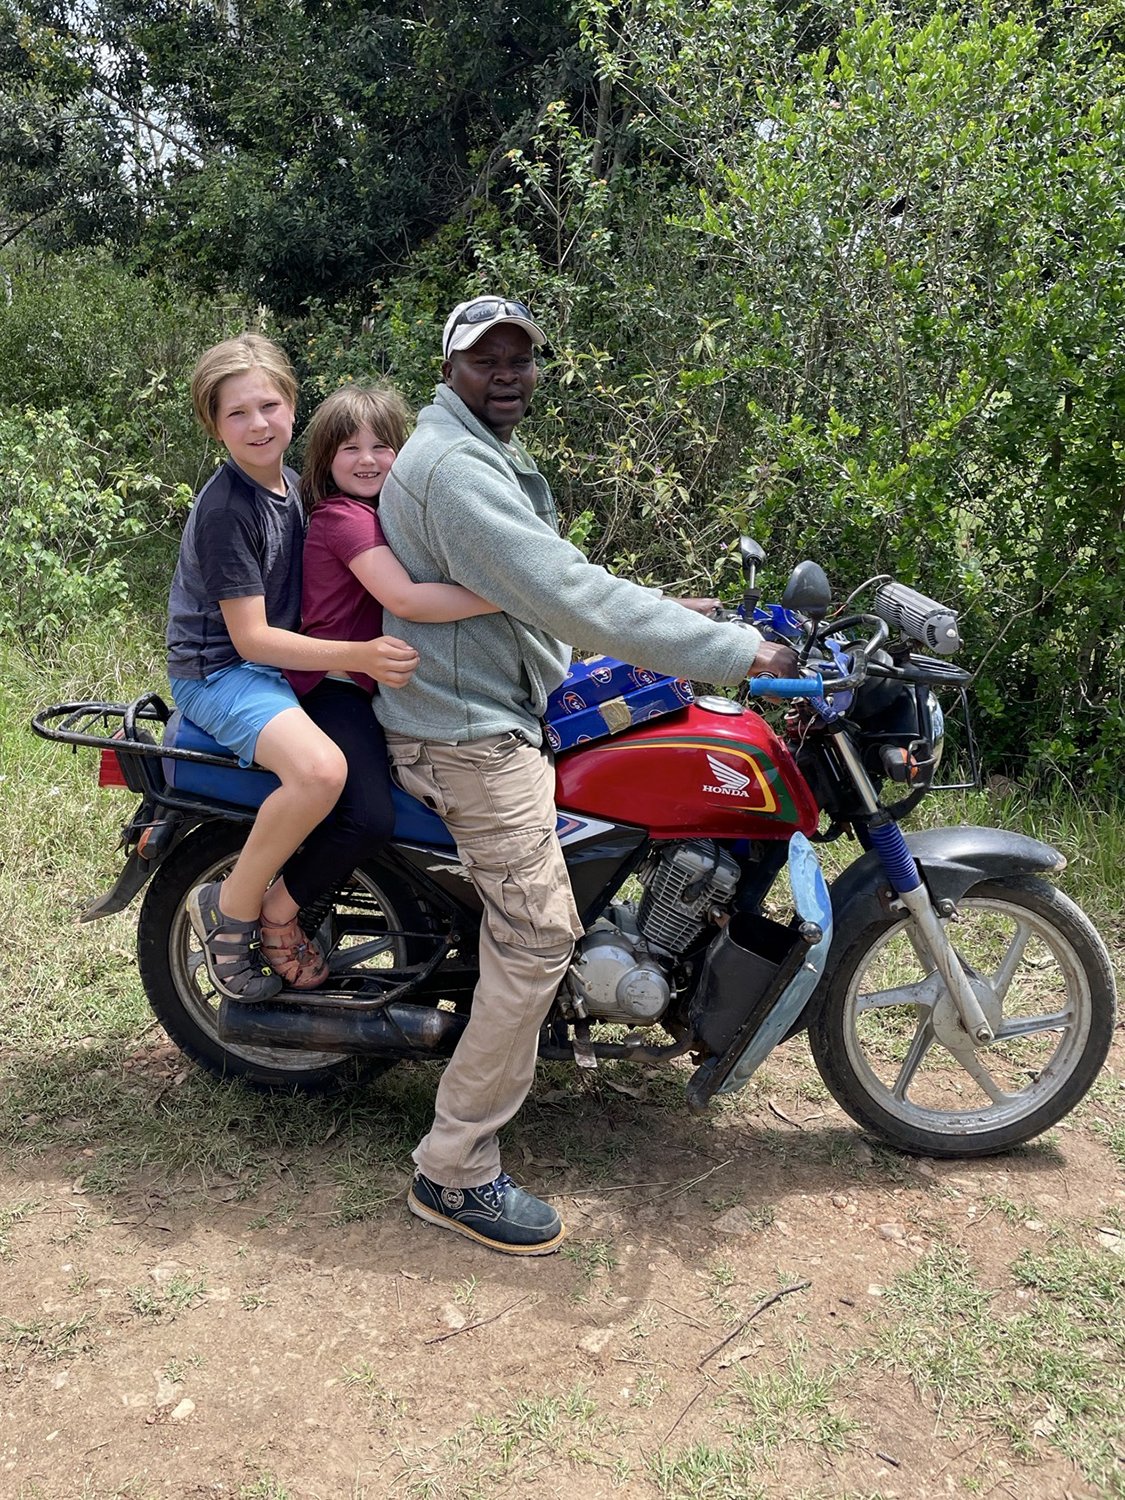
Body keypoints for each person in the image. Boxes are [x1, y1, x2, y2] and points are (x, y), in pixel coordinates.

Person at [375, 294, 799, 1256]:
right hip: (468, 731)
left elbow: (546, 575)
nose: (508, 373)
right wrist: (731, 651)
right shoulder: (452, 467)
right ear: (450, 369)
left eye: (521, 357)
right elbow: (568, 593)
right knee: (535, 936)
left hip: (498, 700)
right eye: (487, 359)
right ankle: (453, 1169)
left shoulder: (483, 451)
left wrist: (678, 609)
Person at [166, 335, 419, 1001]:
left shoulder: (294, 490)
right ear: (213, 425)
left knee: (372, 798)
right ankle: (234, 909)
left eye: (268, 405)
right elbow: (249, 640)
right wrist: (360, 657)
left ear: (291, 404)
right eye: (236, 414)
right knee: (319, 771)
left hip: (285, 668)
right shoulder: (226, 510)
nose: (257, 424)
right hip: (220, 672)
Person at [283, 383, 501, 918]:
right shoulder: (343, 517)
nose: (367, 459)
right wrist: (510, 597)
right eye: (349, 448)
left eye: (382, 446)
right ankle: (278, 910)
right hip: (334, 686)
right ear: (325, 458)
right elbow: (406, 598)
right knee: (369, 819)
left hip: (370, 686)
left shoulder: (387, 512)